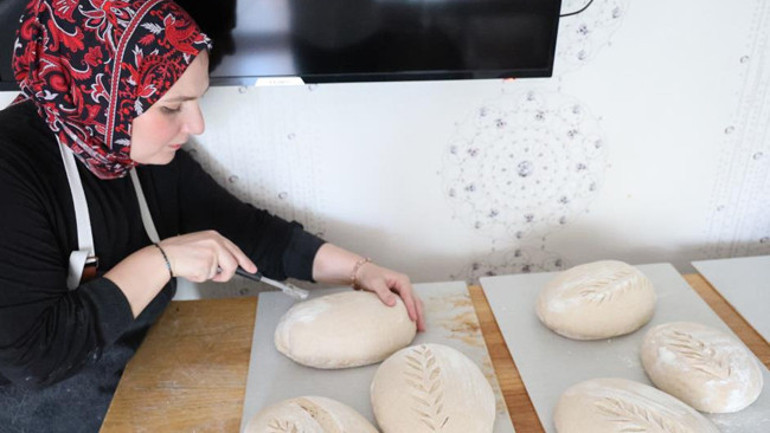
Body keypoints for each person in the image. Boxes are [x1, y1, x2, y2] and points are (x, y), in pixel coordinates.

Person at [0, 0, 425, 431]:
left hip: (134, 396)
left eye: (198, 101)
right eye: (172, 107)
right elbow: (34, 357)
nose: (197, 125)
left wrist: (359, 269)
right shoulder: (11, 168)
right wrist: (161, 260)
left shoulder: (130, 152)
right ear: (104, 94)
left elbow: (247, 232)